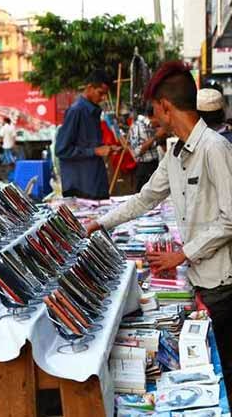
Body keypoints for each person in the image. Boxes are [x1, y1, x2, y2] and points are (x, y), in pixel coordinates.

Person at [87, 61, 232, 395]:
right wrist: (99, 223)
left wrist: (182, 254)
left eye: (153, 110)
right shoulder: (175, 154)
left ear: (166, 107)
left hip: (222, 285)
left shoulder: (214, 148)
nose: (152, 119)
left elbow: (229, 218)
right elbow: (145, 198)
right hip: (200, 280)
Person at [55, 69, 119, 199]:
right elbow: (62, 150)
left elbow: (90, 144)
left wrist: (106, 149)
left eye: (105, 94)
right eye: (100, 93)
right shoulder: (76, 111)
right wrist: (95, 151)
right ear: (89, 88)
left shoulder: (93, 111)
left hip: (95, 184)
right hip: (80, 188)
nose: (103, 98)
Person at [129, 105, 168, 191]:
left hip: (154, 165)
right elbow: (137, 151)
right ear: (154, 116)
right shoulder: (138, 127)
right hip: (145, 168)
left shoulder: (150, 126)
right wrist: (156, 136)